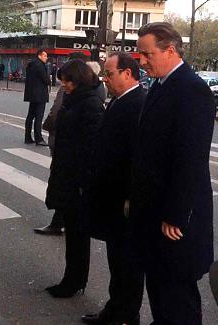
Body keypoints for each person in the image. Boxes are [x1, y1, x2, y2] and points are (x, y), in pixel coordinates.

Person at [131, 22, 215, 324]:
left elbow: (190, 158)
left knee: (178, 297)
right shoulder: (161, 85)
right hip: (154, 211)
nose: (142, 61)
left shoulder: (192, 90)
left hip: (176, 219)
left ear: (170, 49)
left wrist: (176, 214)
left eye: (147, 54)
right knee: (159, 289)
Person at [81, 52, 146, 325]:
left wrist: (130, 195)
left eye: (110, 74)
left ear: (127, 74)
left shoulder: (137, 103)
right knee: (117, 261)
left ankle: (124, 314)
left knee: (126, 263)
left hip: (122, 199)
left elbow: (136, 156)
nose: (105, 79)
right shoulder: (121, 100)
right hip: (111, 195)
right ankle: (116, 309)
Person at [44, 59, 104, 298]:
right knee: (73, 233)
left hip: (77, 181)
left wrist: (83, 182)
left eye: (67, 81)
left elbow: (91, 147)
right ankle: (71, 278)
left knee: (78, 236)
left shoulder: (90, 104)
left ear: (78, 79)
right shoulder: (75, 100)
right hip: (67, 175)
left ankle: (75, 281)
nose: (64, 85)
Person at [37, 53, 89, 236]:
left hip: (67, 151)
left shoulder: (76, 95)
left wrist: (48, 125)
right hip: (69, 153)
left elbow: (56, 111)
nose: (63, 85)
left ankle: (60, 221)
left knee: (64, 185)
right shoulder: (89, 91)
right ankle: (59, 220)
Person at [24, 49, 51, 146]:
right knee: (39, 117)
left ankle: (27, 137)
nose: (46, 58)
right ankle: (38, 138)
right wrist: (49, 79)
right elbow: (46, 80)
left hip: (32, 94)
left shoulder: (31, 64)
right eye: (45, 56)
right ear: (39, 56)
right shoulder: (40, 65)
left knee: (30, 116)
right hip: (40, 94)